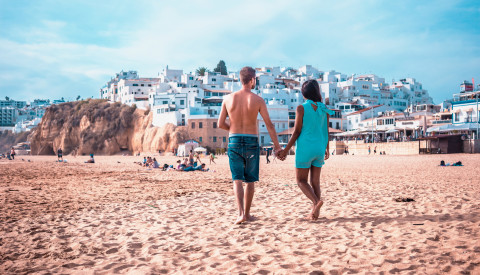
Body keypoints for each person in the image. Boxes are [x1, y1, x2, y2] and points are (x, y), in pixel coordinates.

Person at [218, 66, 283, 224]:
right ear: (252, 80)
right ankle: (247, 214)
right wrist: (277, 147)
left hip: (234, 140)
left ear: (241, 80)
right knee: (250, 181)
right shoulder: (258, 100)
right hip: (251, 141)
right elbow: (269, 125)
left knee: (237, 180)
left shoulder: (227, 99)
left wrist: (233, 129)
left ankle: (240, 214)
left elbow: (220, 124)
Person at [278, 80, 334, 220]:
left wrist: (285, 151)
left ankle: (316, 202)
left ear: (304, 93)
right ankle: (315, 214)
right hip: (319, 148)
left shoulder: (301, 108)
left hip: (305, 148)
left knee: (301, 180)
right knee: (315, 182)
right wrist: (327, 148)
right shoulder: (324, 109)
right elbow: (326, 131)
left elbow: (296, 132)